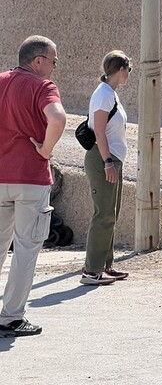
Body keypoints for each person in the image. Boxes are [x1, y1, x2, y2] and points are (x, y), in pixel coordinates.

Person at [0, 36, 67, 337]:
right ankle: (11, 317)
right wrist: (45, 150)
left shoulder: (1, 81)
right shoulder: (42, 87)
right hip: (31, 179)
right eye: (53, 61)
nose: (54, 68)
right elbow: (57, 117)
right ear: (38, 60)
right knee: (25, 250)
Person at [80, 50, 132, 286]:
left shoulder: (110, 94)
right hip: (103, 159)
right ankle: (91, 271)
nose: (128, 74)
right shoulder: (103, 95)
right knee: (103, 214)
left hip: (111, 159)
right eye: (128, 70)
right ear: (121, 69)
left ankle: (105, 266)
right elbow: (99, 131)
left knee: (110, 214)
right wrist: (108, 162)